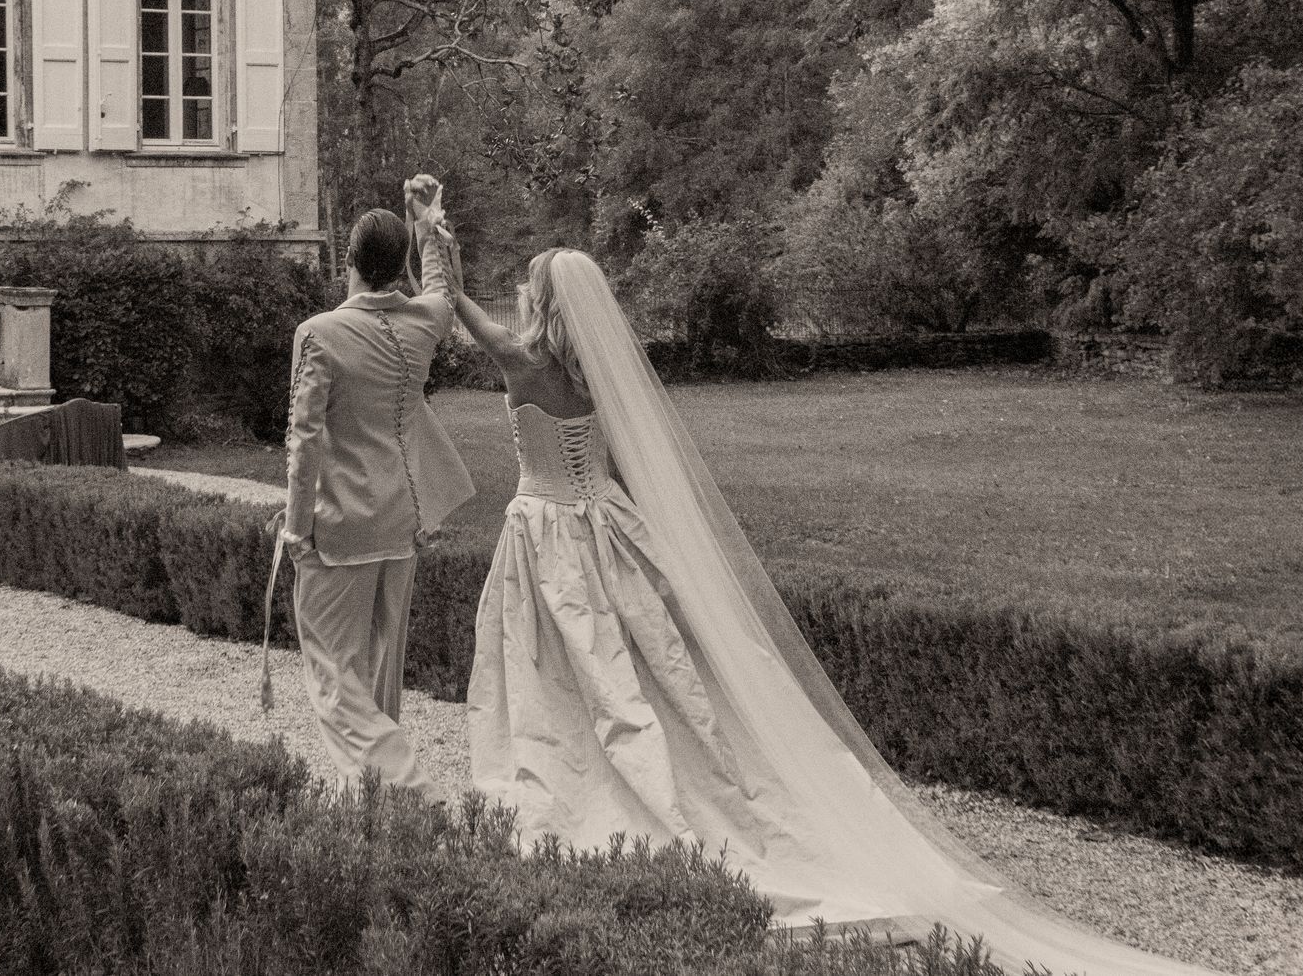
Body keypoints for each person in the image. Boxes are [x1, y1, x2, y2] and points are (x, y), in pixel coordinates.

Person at [418, 204, 1222, 976]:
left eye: (529, 286)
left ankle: (586, 787)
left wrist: (435, 237)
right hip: (610, 527)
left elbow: (458, 310)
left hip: (546, 532)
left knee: (564, 671)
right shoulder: (603, 379)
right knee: (641, 670)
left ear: (543, 302)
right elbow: (625, 469)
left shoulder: (523, 364)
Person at [267, 193, 474, 804]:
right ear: (399, 261)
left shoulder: (320, 334)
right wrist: (428, 224)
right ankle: (373, 802)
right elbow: (438, 284)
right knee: (380, 672)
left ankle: (412, 791)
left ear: (349, 262)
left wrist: (296, 529)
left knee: (334, 678)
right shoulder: (428, 321)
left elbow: (303, 442)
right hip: (401, 521)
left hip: (341, 527)